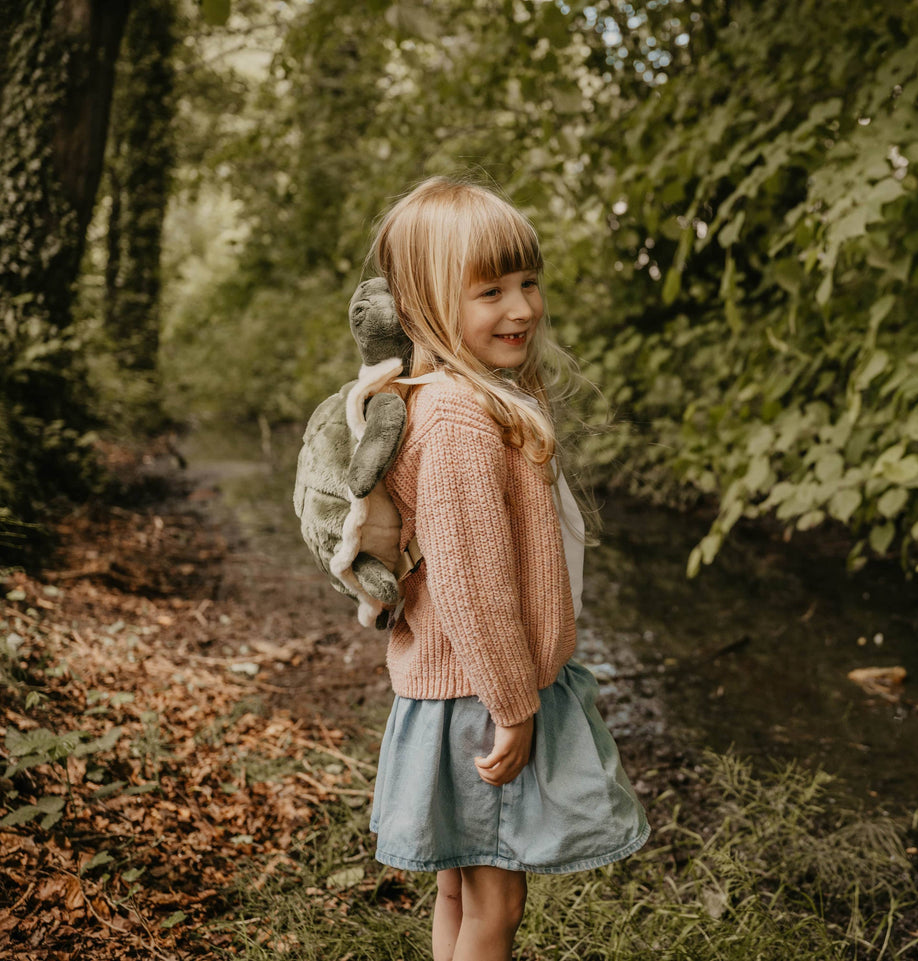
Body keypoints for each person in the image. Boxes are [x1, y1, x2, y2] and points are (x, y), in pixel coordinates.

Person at [363, 176, 650, 961]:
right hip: (483, 695)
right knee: (498, 898)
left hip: (459, 689)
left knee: (459, 886)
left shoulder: (465, 395)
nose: (521, 307)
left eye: (528, 282)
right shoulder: (459, 419)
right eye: (489, 291)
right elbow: (474, 587)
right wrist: (515, 706)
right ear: (426, 304)